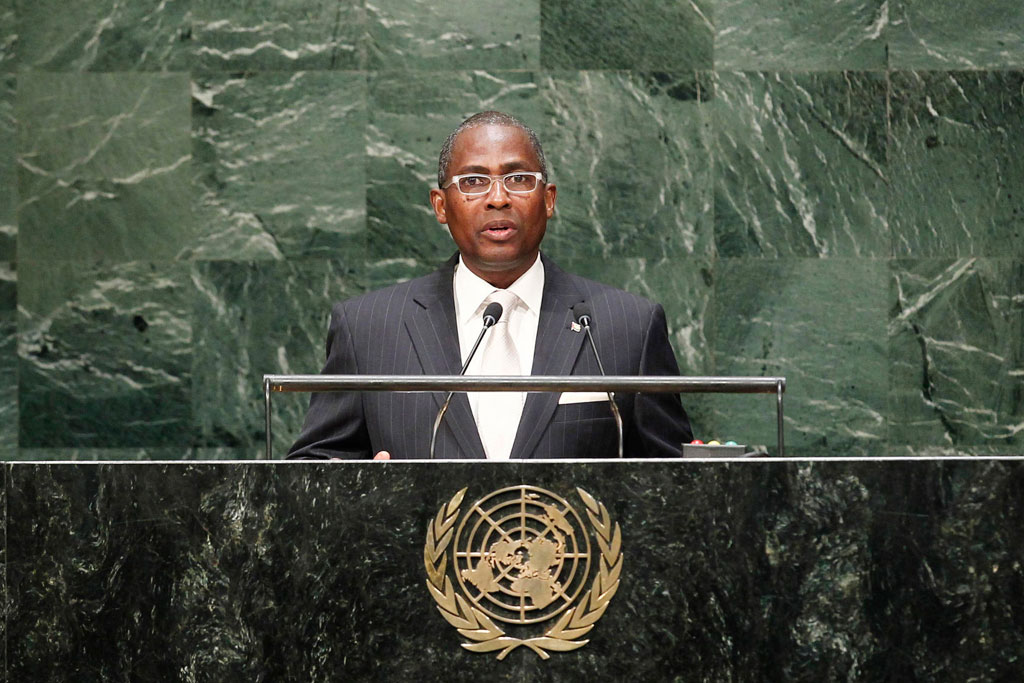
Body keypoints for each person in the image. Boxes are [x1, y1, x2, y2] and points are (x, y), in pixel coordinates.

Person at [287, 111, 692, 460]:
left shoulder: (628, 327)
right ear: (440, 206)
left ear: (548, 200)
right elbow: (314, 468)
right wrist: (365, 491)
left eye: (518, 178)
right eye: (473, 182)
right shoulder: (368, 329)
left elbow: (677, 485)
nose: (498, 198)